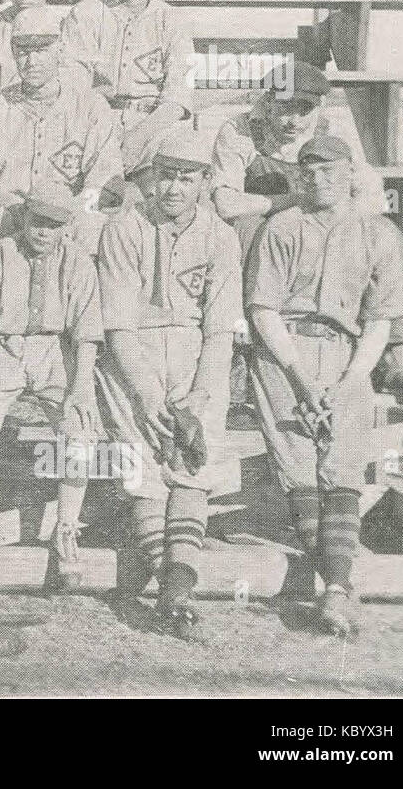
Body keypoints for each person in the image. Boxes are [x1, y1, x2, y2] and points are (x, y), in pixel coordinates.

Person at [245, 134, 403, 637]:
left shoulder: (379, 232)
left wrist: (350, 381)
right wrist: (297, 374)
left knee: (341, 466)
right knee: (299, 468)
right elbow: (262, 309)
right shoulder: (281, 226)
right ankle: (337, 584)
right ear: (299, 176)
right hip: (284, 351)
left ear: (350, 173)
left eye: (329, 170)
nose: (318, 179)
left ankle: (334, 591)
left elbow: (380, 318)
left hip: (345, 354)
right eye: (309, 171)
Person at [209, 61, 403, 403]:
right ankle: (242, 357)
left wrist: (342, 221)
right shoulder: (238, 131)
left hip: (319, 227)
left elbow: (370, 191)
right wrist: (292, 200)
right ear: (267, 102)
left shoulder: (331, 129)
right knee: (248, 229)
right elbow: (226, 203)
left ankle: (393, 357)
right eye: (284, 108)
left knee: (378, 236)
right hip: (266, 233)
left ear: (320, 107)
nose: (293, 121)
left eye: (304, 110)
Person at [93, 134, 241, 640]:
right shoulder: (124, 228)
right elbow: (118, 329)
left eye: (187, 177)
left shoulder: (222, 236)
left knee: (191, 464)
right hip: (133, 356)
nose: (174, 187)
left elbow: (221, 331)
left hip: (198, 356)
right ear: (151, 177)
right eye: (166, 175)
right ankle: (172, 587)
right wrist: (146, 394)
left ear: (204, 182)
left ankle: (176, 585)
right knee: (141, 468)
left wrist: (200, 394)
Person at [0, 185, 102, 583]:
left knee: (82, 429)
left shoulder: (78, 261)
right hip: (6, 346)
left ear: (66, 227)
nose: (43, 232)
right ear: (24, 219)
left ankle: (67, 526)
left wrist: (82, 384)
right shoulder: (0, 253)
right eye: (37, 222)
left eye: (54, 225)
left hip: (55, 349)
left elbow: (87, 331)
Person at [0, 6, 121, 251]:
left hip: (68, 213)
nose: (31, 61)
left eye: (42, 51)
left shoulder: (91, 106)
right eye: (23, 52)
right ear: (13, 53)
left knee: (92, 226)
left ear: (60, 51)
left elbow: (104, 179)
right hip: (11, 209)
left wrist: (71, 210)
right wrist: (13, 204)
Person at [61, 0, 195, 185]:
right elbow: (73, 86)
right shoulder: (86, 13)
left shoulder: (172, 20)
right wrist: (104, 136)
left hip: (152, 124)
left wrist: (136, 139)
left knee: (171, 184)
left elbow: (178, 98)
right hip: (97, 121)